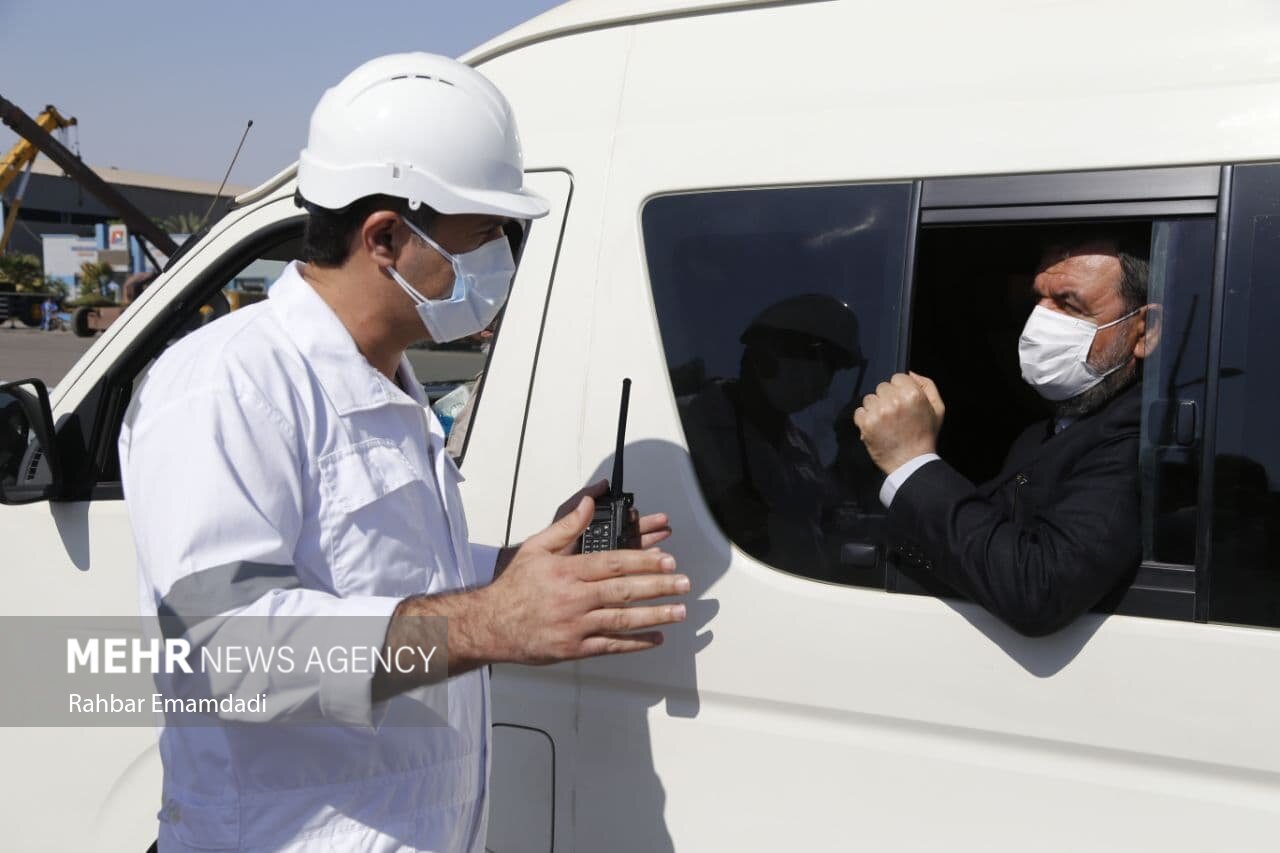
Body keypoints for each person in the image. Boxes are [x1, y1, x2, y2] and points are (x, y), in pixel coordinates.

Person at [119, 53, 688, 853]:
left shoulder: (387, 383)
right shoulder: (226, 384)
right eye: (486, 234)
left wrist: (519, 565)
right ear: (385, 236)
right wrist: (493, 621)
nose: (502, 259)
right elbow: (227, 648)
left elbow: (381, 574)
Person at [854, 234, 1155, 636]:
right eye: (1038, 299)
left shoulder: (1141, 442)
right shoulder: (1040, 435)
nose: (1039, 323)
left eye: (1069, 305)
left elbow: (1039, 589)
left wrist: (911, 463)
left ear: (1144, 331)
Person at [678, 294, 870, 581]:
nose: (824, 386)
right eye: (826, 366)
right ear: (771, 358)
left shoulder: (801, 445)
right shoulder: (689, 422)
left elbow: (826, 512)